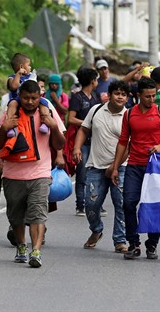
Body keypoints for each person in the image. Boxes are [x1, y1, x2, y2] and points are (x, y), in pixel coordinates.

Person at [0, 80, 66, 268]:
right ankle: (22, 246)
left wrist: (54, 127)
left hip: (40, 173)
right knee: (16, 216)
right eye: (26, 98)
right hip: (13, 174)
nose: (30, 102)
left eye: (34, 98)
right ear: (20, 97)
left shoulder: (47, 112)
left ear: (40, 97)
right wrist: (6, 128)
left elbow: (60, 144)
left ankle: (36, 251)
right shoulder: (11, 113)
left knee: (38, 214)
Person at [111, 78, 160, 260]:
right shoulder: (129, 114)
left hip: (155, 167)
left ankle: (152, 244)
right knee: (128, 204)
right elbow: (123, 142)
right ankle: (133, 243)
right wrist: (115, 167)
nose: (152, 99)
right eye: (148, 96)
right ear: (138, 95)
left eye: (154, 95)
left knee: (154, 206)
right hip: (134, 165)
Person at [73, 80, 130, 253]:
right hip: (95, 165)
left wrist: (114, 166)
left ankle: (120, 240)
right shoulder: (96, 110)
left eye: (123, 94)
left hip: (120, 167)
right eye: (117, 93)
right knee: (91, 204)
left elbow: (129, 146)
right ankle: (96, 229)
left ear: (127, 98)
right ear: (110, 95)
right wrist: (76, 148)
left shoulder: (129, 116)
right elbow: (83, 129)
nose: (120, 97)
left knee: (121, 204)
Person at [66, 67, 100, 216]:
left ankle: (95, 203)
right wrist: (87, 123)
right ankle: (80, 205)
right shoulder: (77, 97)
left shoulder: (95, 97)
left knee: (97, 173)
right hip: (82, 142)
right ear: (93, 80)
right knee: (82, 174)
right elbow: (71, 119)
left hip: (96, 142)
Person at [5, 53, 50, 137]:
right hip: (18, 99)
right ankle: (10, 125)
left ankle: (45, 122)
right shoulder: (12, 77)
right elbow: (14, 86)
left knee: (44, 104)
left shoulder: (32, 76)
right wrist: (18, 74)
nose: (30, 67)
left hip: (32, 99)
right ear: (22, 67)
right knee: (12, 104)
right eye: (28, 65)